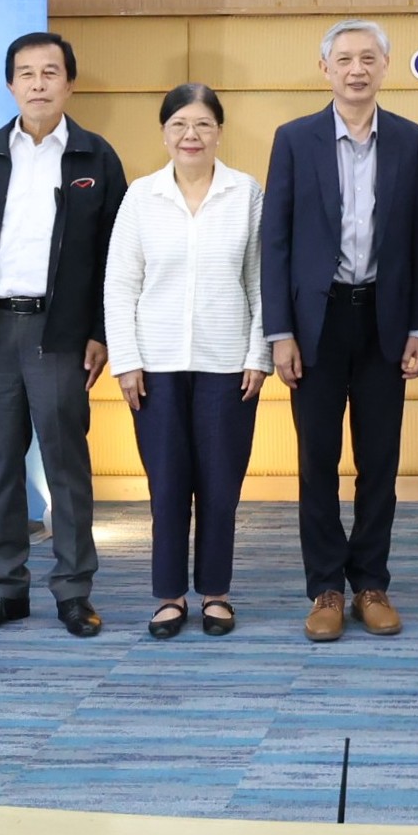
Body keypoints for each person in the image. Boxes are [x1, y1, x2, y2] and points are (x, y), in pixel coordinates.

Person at [0, 32, 127, 639]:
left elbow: (117, 255)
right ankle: (4, 590)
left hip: (60, 332)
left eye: (50, 72)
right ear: (10, 84)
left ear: (70, 83)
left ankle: (73, 590)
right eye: (26, 73)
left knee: (66, 465)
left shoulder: (96, 157)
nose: (38, 84)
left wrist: (101, 330)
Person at [264, 19, 418, 642]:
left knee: (379, 461)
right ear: (326, 69)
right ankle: (326, 588)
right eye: (344, 59)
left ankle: (371, 583)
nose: (356, 69)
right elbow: (275, 241)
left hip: (385, 320)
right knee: (317, 460)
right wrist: (279, 332)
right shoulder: (295, 139)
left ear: (385, 66)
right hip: (317, 322)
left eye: (368, 58)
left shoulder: (411, 140)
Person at [108, 83, 267, 639]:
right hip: (155, 365)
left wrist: (259, 353)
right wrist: (126, 360)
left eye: (202, 124)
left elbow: (261, 282)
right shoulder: (141, 195)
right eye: (178, 125)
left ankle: (216, 593)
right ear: (164, 133)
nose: (190, 135)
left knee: (221, 486)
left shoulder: (245, 193)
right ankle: (169, 596)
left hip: (228, 364)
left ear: (219, 131)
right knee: (167, 487)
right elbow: (120, 285)